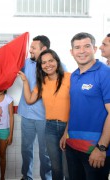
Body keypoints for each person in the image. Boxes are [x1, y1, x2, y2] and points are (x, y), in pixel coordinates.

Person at [60, 32, 110, 179]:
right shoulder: (74, 75)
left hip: (95, 149)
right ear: (71, 52)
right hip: (72, 146)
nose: (82, 51)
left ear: (94, 49)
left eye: (87, 46)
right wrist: (66, 133)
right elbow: (75, 108)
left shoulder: (105, 74)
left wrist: (101, 148)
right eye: (77, 47)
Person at [18, 49, 70, 180]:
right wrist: (25, 81)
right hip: (50, 127)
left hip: (67, 127)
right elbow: (29, 100)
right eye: (44, 63)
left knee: (68, 168)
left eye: (51, 61)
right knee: (56, 166)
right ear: (40, 66)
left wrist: (67, 132)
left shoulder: (70, 78)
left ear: (57, 61)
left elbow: (76, 107)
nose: (48, 65)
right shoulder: (42, 82)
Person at [17, 35, 52, 180]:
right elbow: (7, 67)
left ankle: (47, 178)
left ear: (44, 49)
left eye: (33, 48)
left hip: (44, 117)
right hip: (26, 114)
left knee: (45, 153)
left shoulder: (55, 65)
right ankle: (27, 177)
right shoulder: (26, 63)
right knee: (26, 149)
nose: (30, 50)